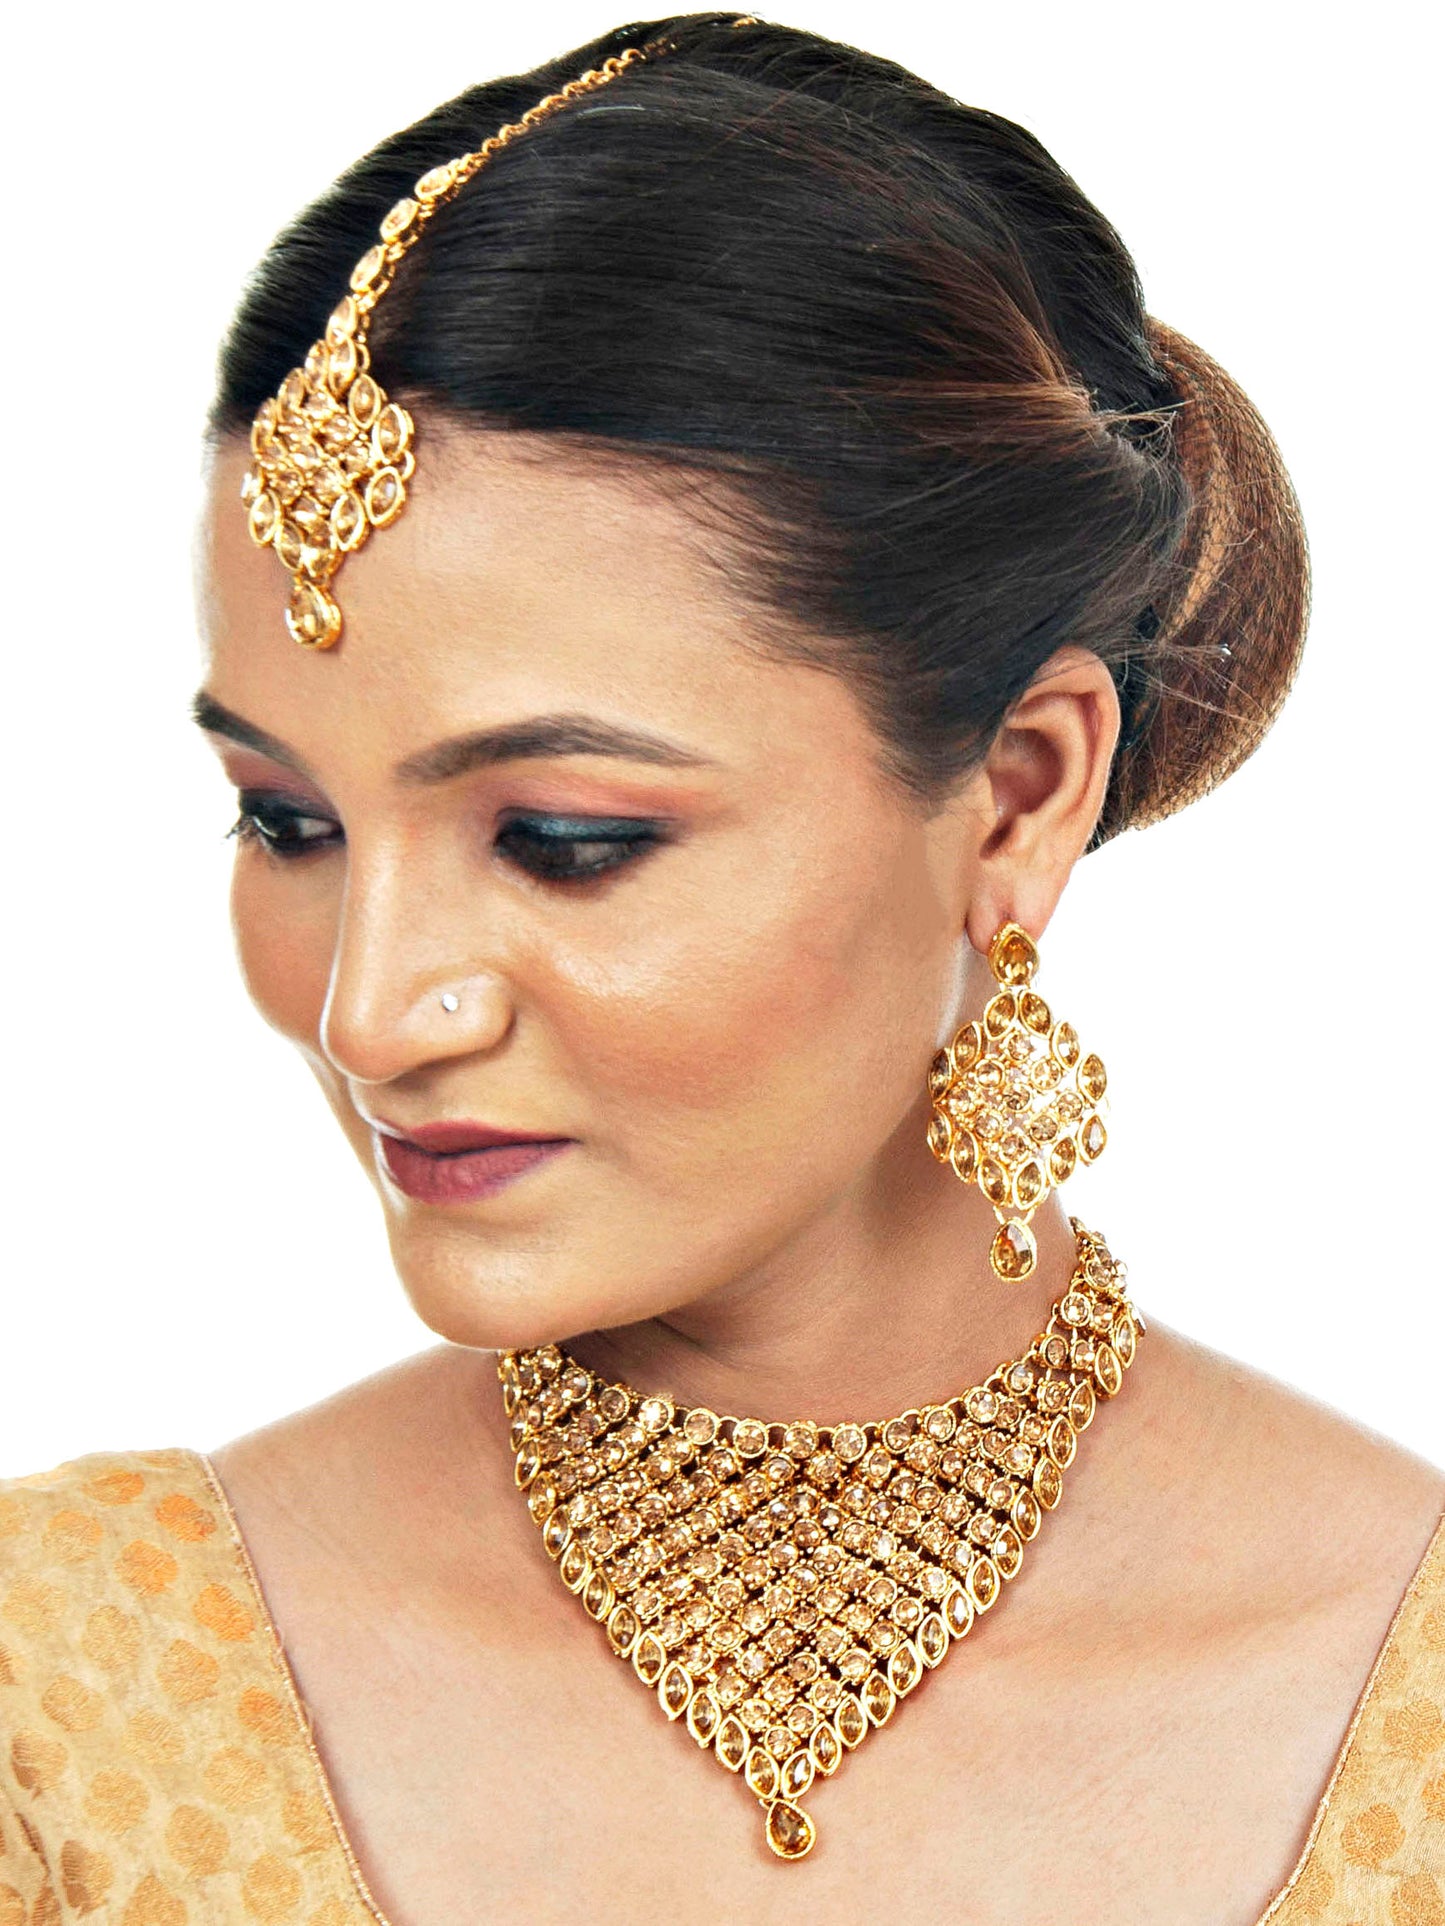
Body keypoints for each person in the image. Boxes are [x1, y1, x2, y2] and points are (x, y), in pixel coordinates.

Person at [2, 11, 1441, 1922]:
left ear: (1018, 795)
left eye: (562, 837)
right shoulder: (66, 1698)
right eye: (287, 821)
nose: (369, 1013)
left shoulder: (1402, 1701)